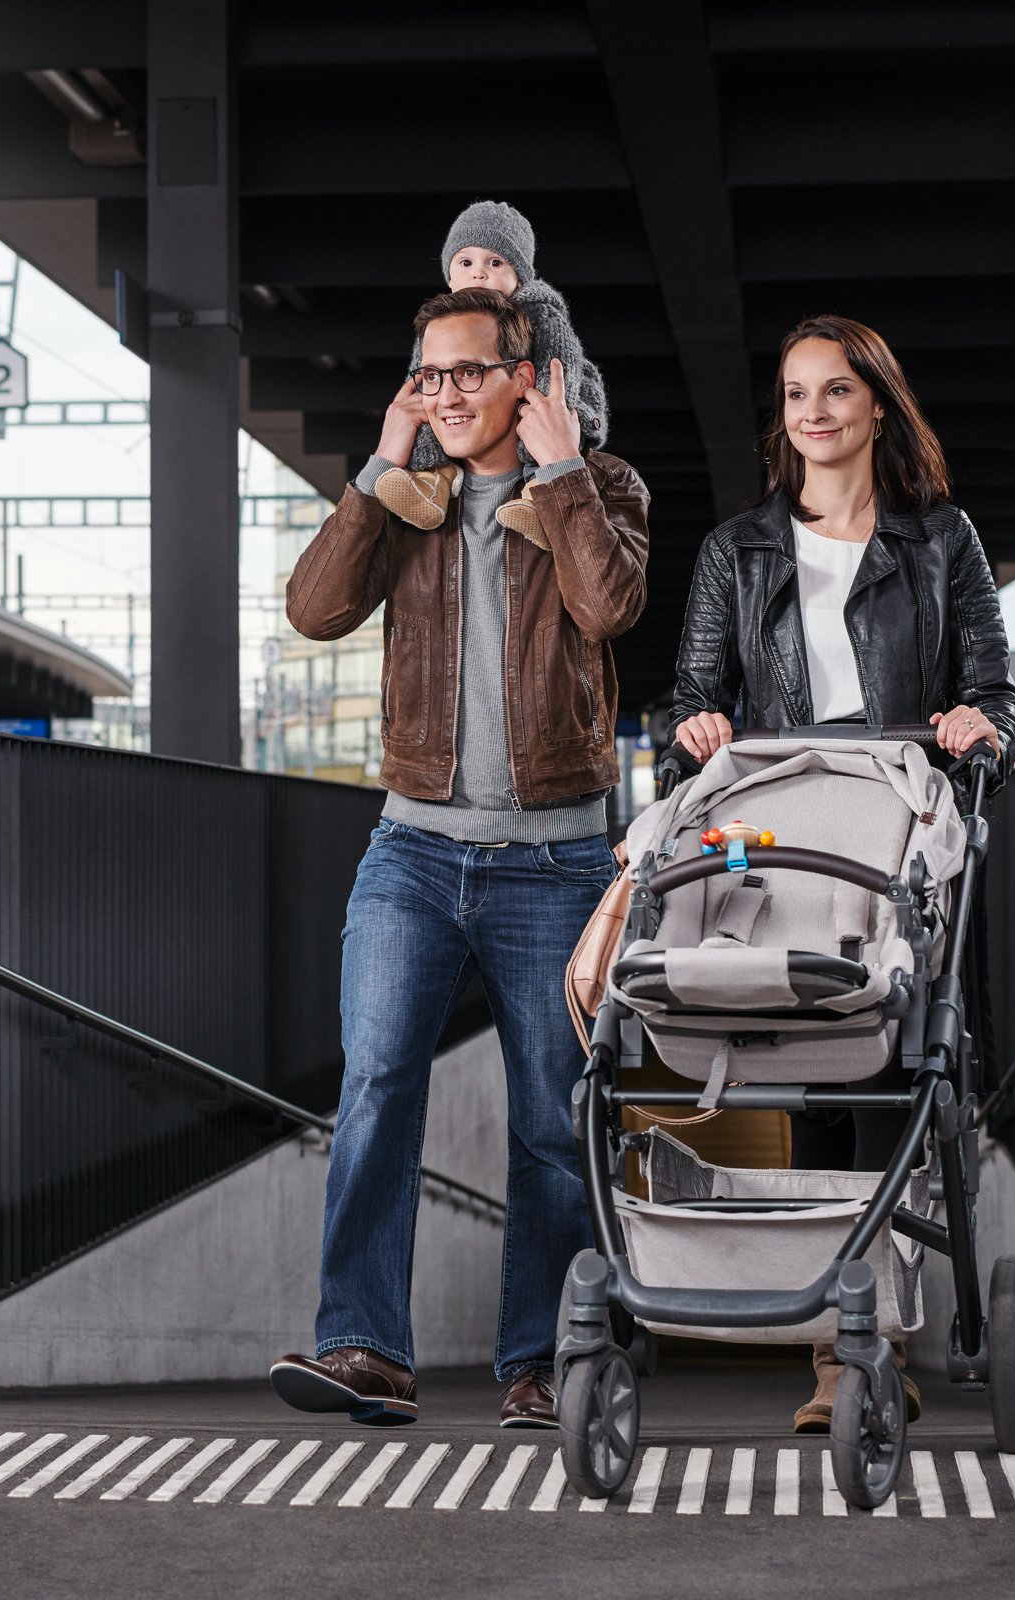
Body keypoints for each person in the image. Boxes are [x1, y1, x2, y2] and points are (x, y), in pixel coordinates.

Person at [271, 285, 650, 1429]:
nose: (442, 395)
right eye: (426, 375)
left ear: (523, 379)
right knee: (378, 1083)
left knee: (550, 1117)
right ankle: (364, 1348)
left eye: (466, 374)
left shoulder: (604, 485)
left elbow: (611, 603)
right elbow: (314, 608)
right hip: (415, 852)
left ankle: (541, 1363)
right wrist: (374, 473)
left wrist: (563, 470)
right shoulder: (410, 500)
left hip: (558, 863)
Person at [667, 313, 1015, 1433]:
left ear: (876, 404)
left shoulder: (940, 541)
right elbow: (691, 699)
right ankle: (844, 1344)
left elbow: (994, 695)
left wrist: (977, 726)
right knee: (817, 1059)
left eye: (833, 392)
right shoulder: (739, 551)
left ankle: (869, 1342)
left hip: (899, 825)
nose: (811, 413)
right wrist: (701, 725)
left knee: (892, 1063)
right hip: (788, 832)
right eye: (793, 394)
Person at [371, 199, 612, 544]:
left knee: (539, 428)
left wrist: (552, 442)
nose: (478, 273)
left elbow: (559, 369)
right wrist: (391, 452)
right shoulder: (436, 327)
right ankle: (430, 484)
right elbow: (421, 383)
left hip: (555, 403)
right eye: (465, 262)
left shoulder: (541, 315)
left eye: (495, 262)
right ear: (450, 276)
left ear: (520, 276)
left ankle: (540, 497)